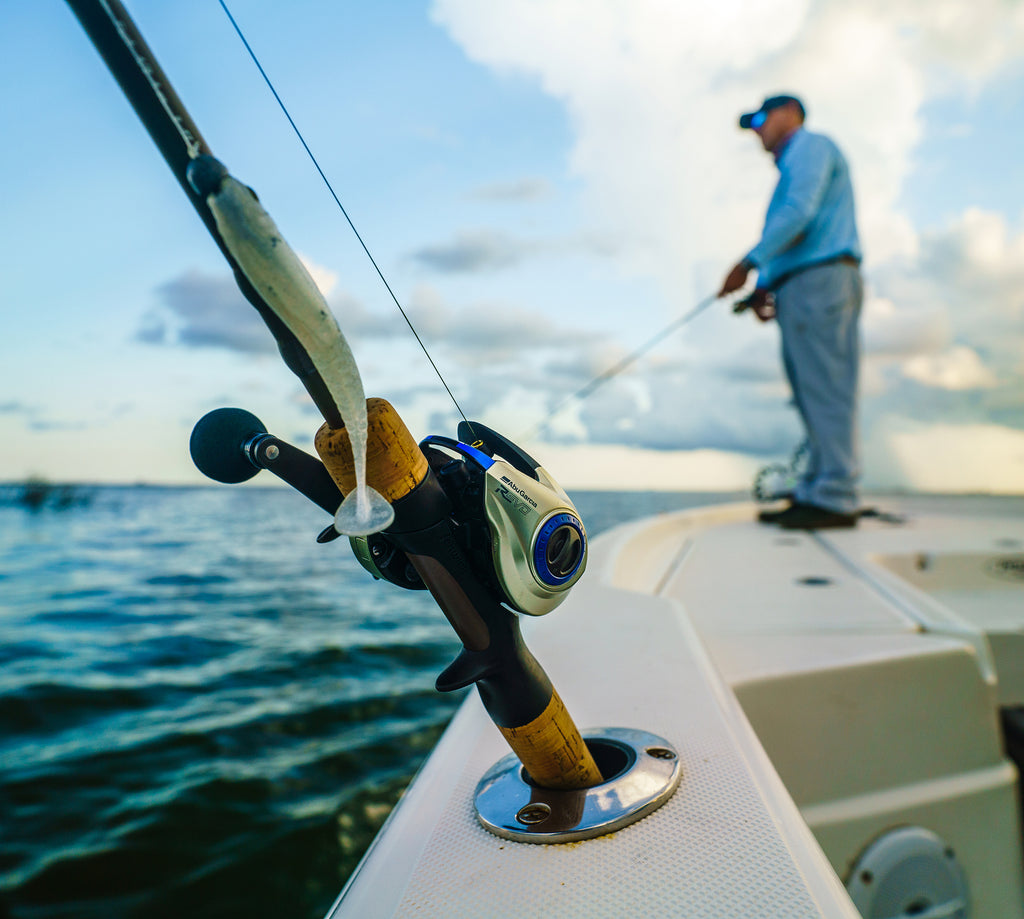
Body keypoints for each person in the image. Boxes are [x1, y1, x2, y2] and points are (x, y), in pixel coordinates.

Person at [719, 94, 863, 529]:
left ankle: (836, 495)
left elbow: (800, 213)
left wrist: (747, 265)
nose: (758, 131)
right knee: (810, 390)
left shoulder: (811, 147)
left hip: (820, 281)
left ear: (790, 114)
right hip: (801, 286)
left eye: (761, 119)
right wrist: (765, 286)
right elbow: (799, 230)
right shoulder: (795, 160)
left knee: (825, 387)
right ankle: (818, 490)